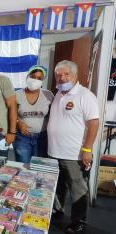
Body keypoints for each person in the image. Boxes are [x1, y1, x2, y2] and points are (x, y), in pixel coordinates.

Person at [47, 60, 99, 234]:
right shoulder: (58, 94)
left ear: (75, 75)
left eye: (66, 74)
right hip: (54, 152)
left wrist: (87, 150)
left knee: (78, 190)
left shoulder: (85, 95)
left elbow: (93, 124)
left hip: (74, 154)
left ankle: (79, 222)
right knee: (58, 186)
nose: (61, 78)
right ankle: (57, 211)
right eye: (58, 75)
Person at [13, 65, 54, 163]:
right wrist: (18, 123)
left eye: (39, 78)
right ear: (27, 77)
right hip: (22, 138)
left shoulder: (48, 95)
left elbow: (54, 116)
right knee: (24, 168)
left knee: (39, 169)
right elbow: (9, 114)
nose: (35, 80)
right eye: (33, 76)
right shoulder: (16, 94)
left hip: (42, 138)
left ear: (42, 80)